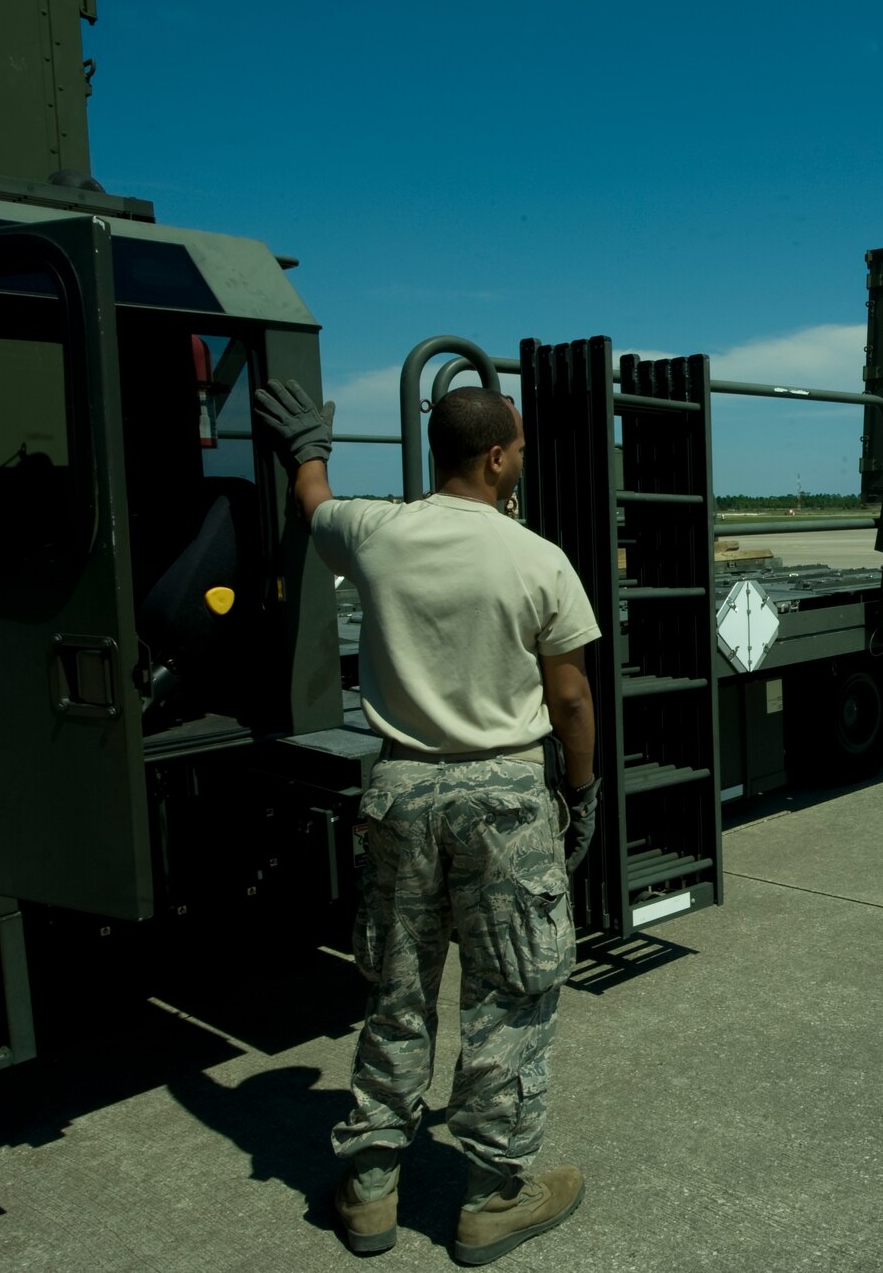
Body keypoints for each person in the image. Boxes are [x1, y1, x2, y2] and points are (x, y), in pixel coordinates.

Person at [254, 378, 602, 1266]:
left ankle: (370, 1185)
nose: (521, 461)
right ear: (495, 457)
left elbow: (314, 503)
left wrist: (306, 445)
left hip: (402, 791)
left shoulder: (377, 534)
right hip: (505, 799)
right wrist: (585, 791)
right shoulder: (537, 559)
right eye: (518, 450)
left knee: (398, 990)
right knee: (511, 996)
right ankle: (493, 1196)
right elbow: (570, 696)